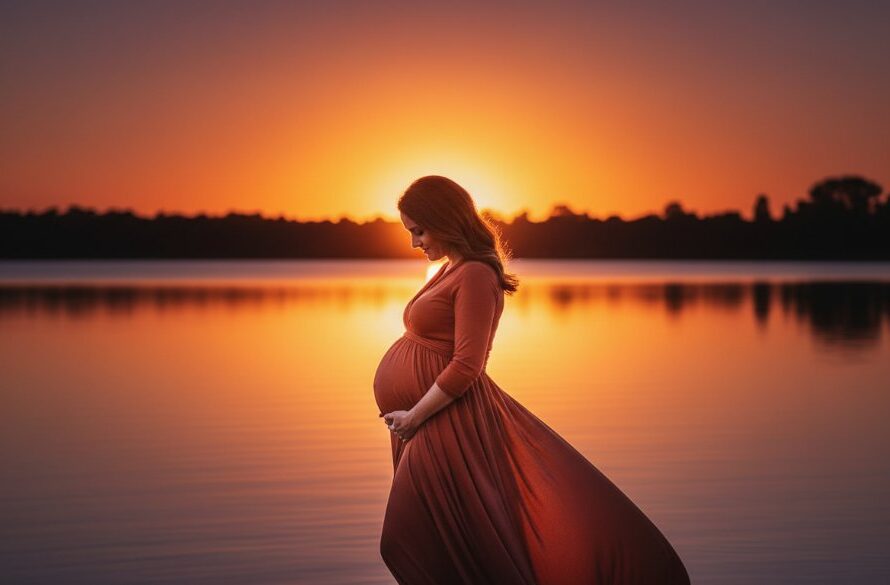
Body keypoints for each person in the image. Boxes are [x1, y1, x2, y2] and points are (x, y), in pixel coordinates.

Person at [373, 175, 690, 584]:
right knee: (442, 542)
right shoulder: (450, 270)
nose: (415, 243)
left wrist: (416, 416)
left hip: (443, 423)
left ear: (445, 220)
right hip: (423, 424)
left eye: (419, 230)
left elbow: (468, 365)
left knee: (404, 540)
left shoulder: (475, 275)